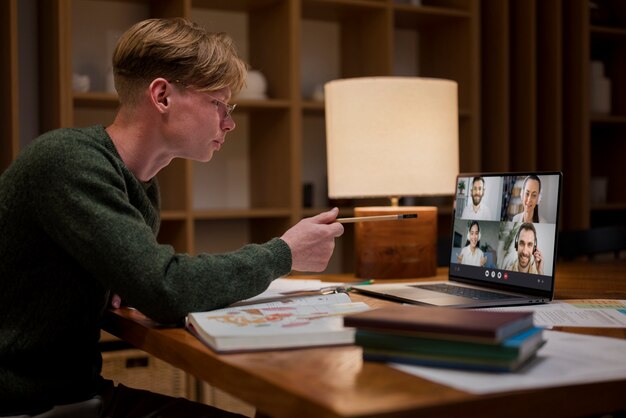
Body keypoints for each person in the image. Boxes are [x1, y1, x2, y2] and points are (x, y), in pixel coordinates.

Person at [0, 18, 344, 417]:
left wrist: (123, 281)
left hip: (68, 394)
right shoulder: (68, 162)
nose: (229, 122)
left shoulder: (138, 185)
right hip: (26, 405)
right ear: (162, 96)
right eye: (220, 104)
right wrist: (284, 252)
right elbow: (165, 288)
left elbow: (147, 280)